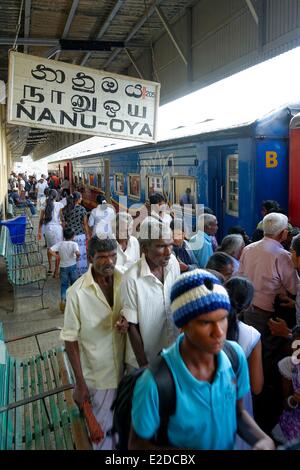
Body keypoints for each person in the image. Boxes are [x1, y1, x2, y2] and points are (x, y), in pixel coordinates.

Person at [129, 269, 275, 450]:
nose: (219, 333)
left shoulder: (234, 356)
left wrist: (262, 440)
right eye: (206, 322)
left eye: (223, 319)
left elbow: (238, 413)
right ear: (183, 325)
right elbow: (137, 445)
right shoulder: (156, 381)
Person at [60, 236, 125, 450]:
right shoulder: (76, 293)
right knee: (103, 437)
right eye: (102, 257)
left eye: (113, 256)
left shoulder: (125, 280)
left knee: (124, 430)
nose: (109, 262)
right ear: (90, 258)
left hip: (127, 370)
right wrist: (80, 383)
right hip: (99, 376)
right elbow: (70, 341)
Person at [238, 212, 299, 432]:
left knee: (250, 352)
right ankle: (262, 402)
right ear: (283, 233)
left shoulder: (248, 248)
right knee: (267, 359)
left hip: (249, 310)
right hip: (270, 314)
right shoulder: (282, 255)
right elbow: (294, 287)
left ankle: (251, 396)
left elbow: (241, 276)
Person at [121, 218, 180, 369]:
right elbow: (132, 326)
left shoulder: (172, 263)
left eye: (170, 245)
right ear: (144, 248)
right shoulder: (131, 279)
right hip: (146, 358)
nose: (168, 252)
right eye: (161, 246)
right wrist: (144, 367)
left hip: (172, 353)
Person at [225, 276, 264, 449]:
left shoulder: (203, 326)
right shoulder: (252, 336)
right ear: (248, 306)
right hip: (239, 404)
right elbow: (256, 386)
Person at [272, 325, 300, 445]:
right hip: (294, 424)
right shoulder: (289, 365)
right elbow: (286, 403)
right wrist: (294, 399)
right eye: (297, 347)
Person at [49, 228, 80, 312]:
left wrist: (56, 256)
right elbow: (77, 253)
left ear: (64, 236)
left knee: (64, 285)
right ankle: (75, 302)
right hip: (72, 266)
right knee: (74, 284)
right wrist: (77, 257)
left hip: (63, 267)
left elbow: (50, 250)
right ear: (73, 236)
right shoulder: (74, 244)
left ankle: (63, 301)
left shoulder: (60, 244)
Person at [38, 189, 66, 275]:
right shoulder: (59, 205)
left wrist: (39, 231)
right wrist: (64, 227)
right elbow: (62, 219)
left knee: (49, 248)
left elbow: (41, 220)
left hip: (47, 229)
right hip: (57, 229)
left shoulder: (44, 206)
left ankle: (50, 268)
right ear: (56, 196)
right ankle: (56, 272)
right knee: (57, 250)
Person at [63, 192, 89, 276]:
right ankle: (81, 272)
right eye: (81, 197)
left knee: (70, 254)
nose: (81, 199)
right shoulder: (82, 209)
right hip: (80, 235)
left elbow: (64, 222)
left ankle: (71, 272)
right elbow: (85, 224)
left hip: (69, 235)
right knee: (80, 254)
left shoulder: (66, 209)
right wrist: (87, 234)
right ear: (77, 199)